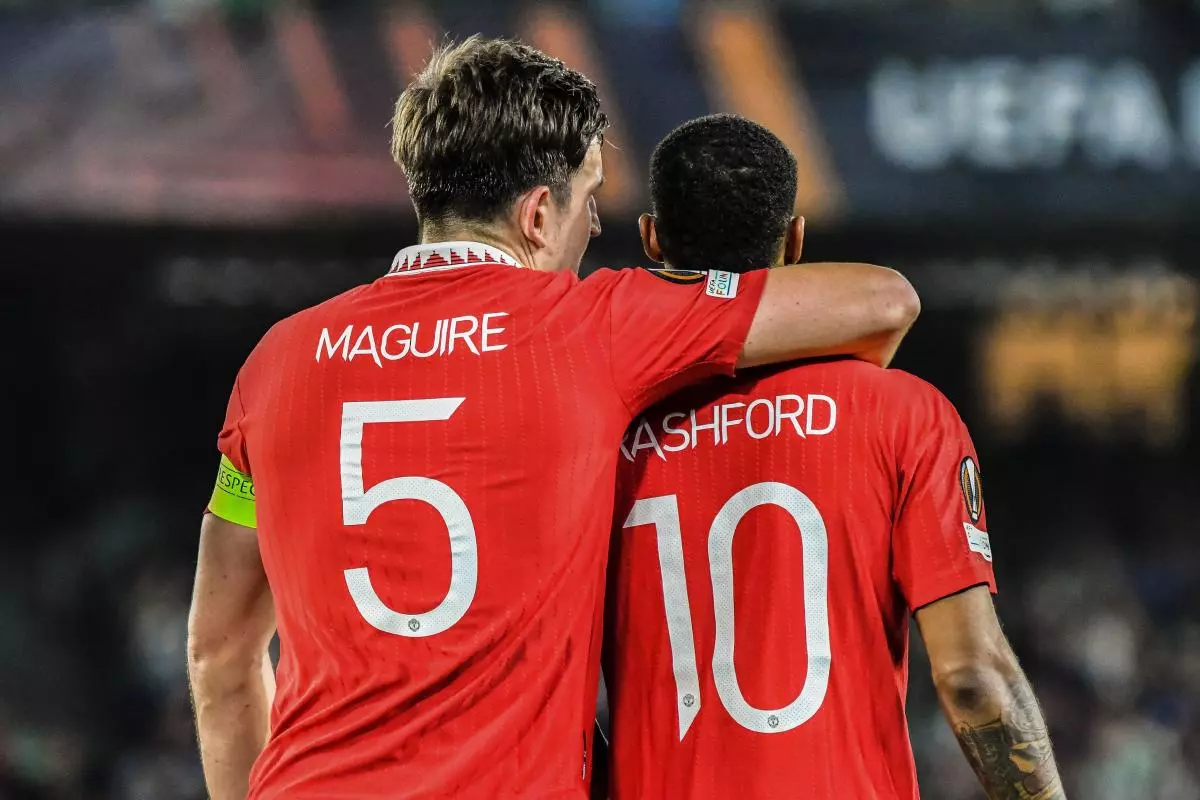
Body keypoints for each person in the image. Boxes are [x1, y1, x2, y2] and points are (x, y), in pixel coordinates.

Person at [185, 39, 919, 800]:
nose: (594, 226)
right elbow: (881, 303)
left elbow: (219, 656)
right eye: (589, 198)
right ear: (538, 214)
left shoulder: (275, 364)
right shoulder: (588, 327)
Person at [603, 114, 1064, 800]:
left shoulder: (602, 434)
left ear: (651, 238)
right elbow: (972, 678)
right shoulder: (905, 413)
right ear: (795, 240)